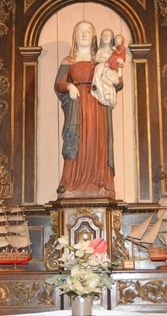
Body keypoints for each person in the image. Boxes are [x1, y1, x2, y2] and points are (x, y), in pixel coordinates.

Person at [54, 21, 123, 199]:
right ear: (75, 36)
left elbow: (116, 81)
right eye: (80, 31)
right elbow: (59, 84)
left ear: (93, 37)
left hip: (98, 106)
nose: (84, 35)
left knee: (97, 142)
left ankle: (100, 182)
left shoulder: (101, 59)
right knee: (75, 140)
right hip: (77, 107)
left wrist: (117, 81)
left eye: (88, 32)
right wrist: (69, 86)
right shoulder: (68, 61)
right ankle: (70, 182)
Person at [91, 29, 124, 109]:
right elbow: (96, 58)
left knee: (107, 80)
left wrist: (116, 81)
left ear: (112, 39)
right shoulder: (100, 50)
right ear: (101, 38)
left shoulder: (114, 51)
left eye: (108, 35)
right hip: (101, 69)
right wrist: (106, 60)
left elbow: (118, 59)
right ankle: (96, 87)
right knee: (98, 69)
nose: (106, 37)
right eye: (104, 35)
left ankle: (108, 95)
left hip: (110, 68)